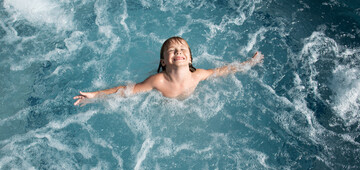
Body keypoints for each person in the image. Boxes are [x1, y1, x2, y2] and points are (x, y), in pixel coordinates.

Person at [73, 36, 264, 106]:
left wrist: (249, 63)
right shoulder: (158, 81)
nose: (178, 52)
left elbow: (222, 71)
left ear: (189, 59)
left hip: (189, 103)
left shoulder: (197, 75)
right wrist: (96, 95)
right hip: (165, 104)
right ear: (164, 61)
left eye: (183, 50)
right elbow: (126, 91)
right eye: (173, 51)